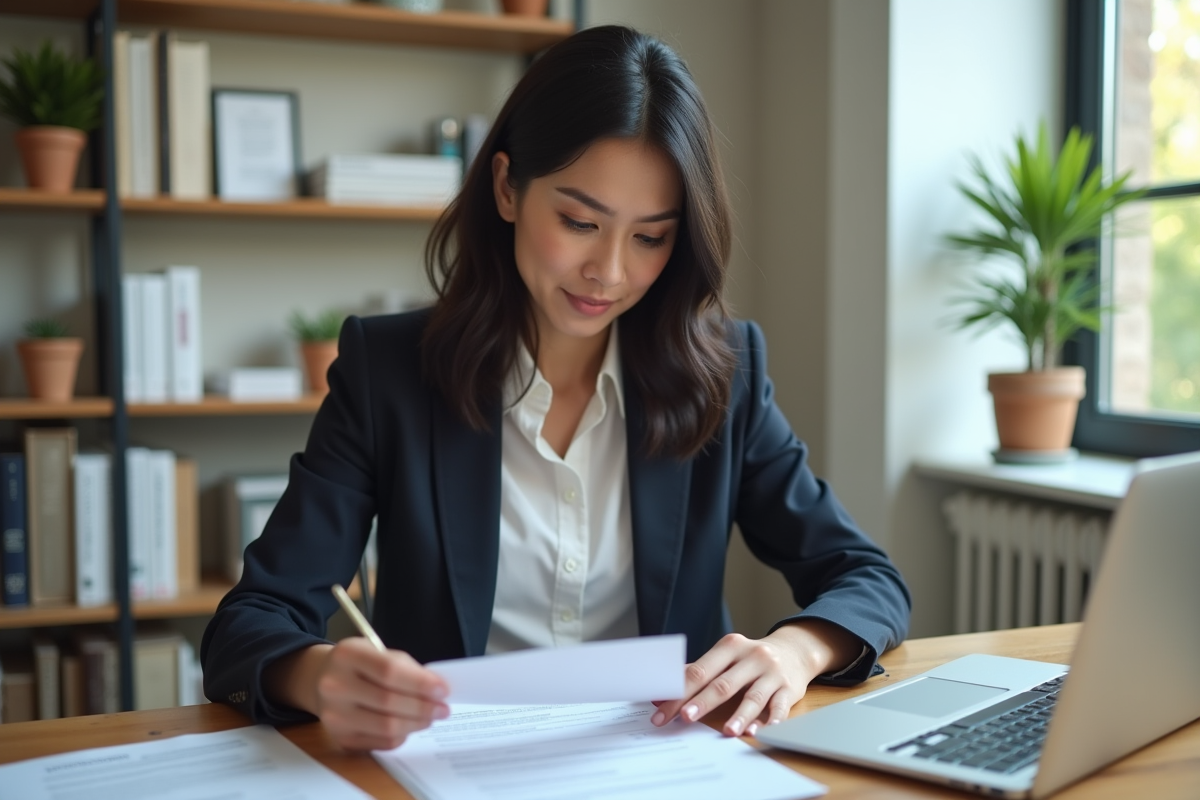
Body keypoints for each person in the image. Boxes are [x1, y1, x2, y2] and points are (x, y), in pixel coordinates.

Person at [200, 24, 910, 753]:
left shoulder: (724, 372)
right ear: (507, 188)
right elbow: (248, 622)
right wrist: (319, 676)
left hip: (660, 767)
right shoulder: (389, 373)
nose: (608, 270)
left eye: (651, 237)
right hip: (449, 765)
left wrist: (794, 652)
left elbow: (867, 577)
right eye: (579, 221)